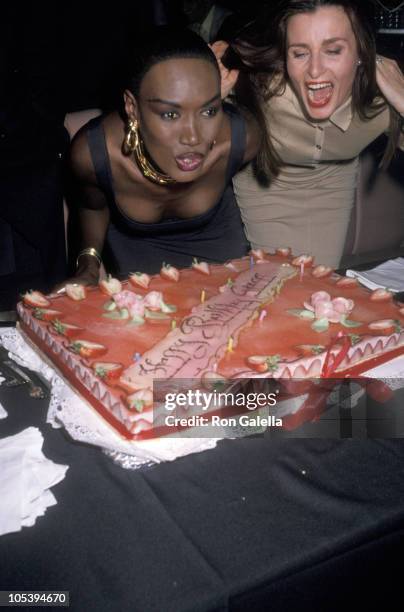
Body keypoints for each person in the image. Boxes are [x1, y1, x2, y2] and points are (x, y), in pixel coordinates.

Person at [64, 26, 261, 286]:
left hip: (220, 257)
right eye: (170, 114)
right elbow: (93, 206)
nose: (192, 137)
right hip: (137, 258)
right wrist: (87, 268)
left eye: (209, 111)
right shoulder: (94, 155)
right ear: (132, 107)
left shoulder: (241, 139)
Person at [213, 0, 404, 267]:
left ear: (361, 51)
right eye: (300, 53)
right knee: (274, 286)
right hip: (268, 182)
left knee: (320, 291)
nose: (315, 71)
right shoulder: (260, 83)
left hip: (332, 183)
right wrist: (208, 96)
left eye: (333, 50)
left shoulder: (382, 98)